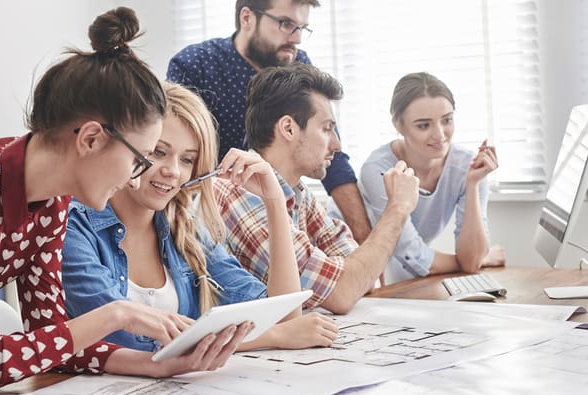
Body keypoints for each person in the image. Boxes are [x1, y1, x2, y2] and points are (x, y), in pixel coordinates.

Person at [0, 8, 251, 395]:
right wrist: (117, 314)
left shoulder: (53, 204)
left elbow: (52, 340)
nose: (136, 177)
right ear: (90, 139)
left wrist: (158, 365)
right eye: (141, 159)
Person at [62, 81, 337, 353]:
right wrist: (272, 336)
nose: (173, 171)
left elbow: (282, 316)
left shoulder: (185, 230)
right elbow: (123, 339)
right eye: (159, 153)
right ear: (134, 149)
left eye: (187, 160)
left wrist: (274, 200)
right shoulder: (74, 225)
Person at [213, 63, 420, 315]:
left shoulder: (298, 194)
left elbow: (365, 279)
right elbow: (343, 292)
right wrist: (397, 209)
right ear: (288, 128)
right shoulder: (239, 191)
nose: (338, 145)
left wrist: (348, 276)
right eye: (326, 128)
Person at [167, 0, 372, 244]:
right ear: (247, 18)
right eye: (286, 24)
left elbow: (332, 158)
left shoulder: (298, 65)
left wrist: (364, 239)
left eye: (302, 28)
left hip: (277, 206)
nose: (296, 39)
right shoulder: (196, 64)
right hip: (209, 221)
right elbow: (178, 158)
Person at [360, 72, 505, 284]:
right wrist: (479, 258)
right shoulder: (379, 169)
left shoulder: (468, 166)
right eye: (423, 125)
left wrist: (473, 184)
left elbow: (471, 262)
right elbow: (410, 252)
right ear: (398, 125)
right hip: (364, 268)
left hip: (411, 277)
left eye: (447, 120)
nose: (439, 135)